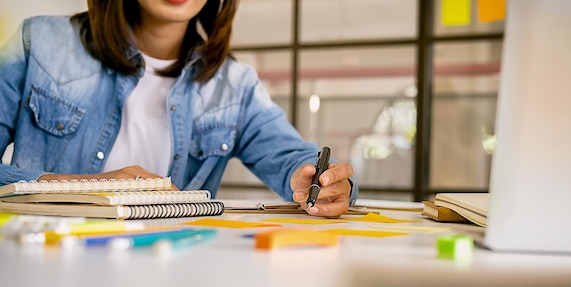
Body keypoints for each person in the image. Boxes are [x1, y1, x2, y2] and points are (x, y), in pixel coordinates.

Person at [0, 0, 358, 217]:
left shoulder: (235, 84)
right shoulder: (39, 43)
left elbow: (292, 157)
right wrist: (84, 187)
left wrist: (322, 182)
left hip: (174, 277)